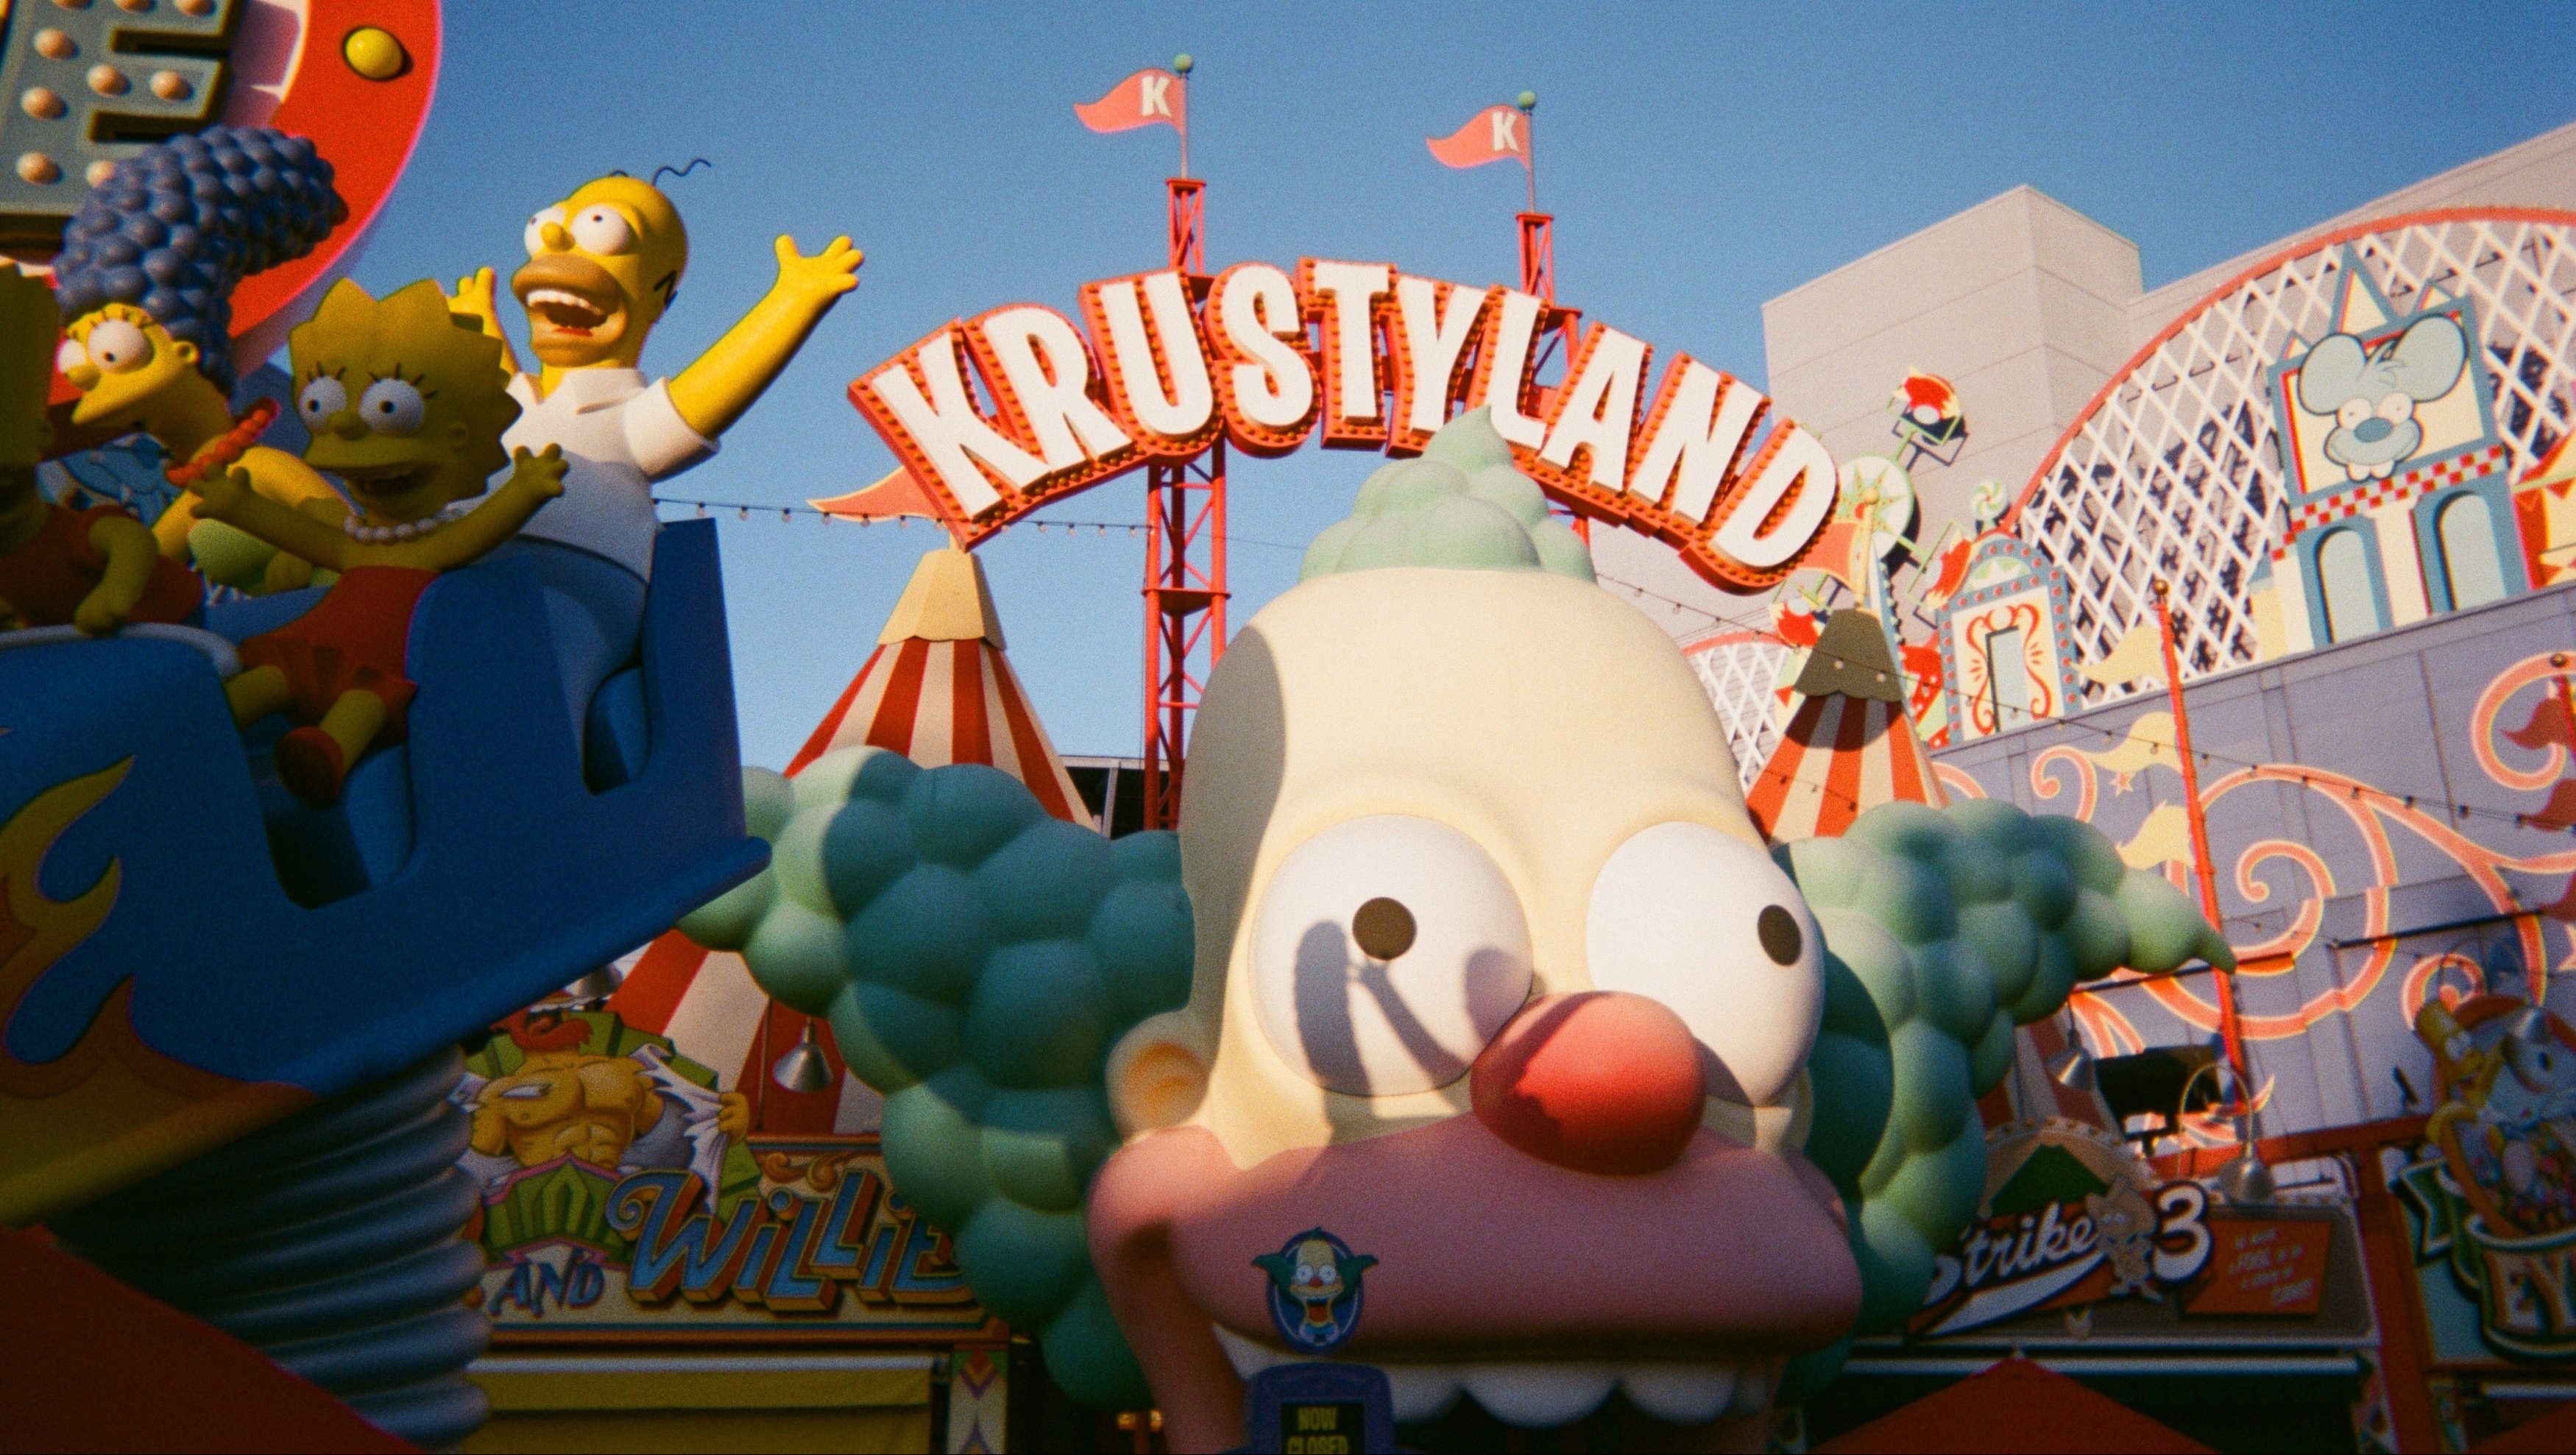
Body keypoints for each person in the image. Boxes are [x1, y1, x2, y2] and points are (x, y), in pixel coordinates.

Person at [445, 175, 862, 734]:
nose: (558, 257)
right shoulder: (511, 399)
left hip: (577, 594)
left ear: (659, 291)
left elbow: (706, 394)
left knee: (536, 685)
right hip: (459, 564)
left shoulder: (628, 419)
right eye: (547, 236)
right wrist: (479, 322)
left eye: (603, 232)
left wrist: (793, 301)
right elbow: (501, 380)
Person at [197, 280, 566, 804]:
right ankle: (200, 727)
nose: (345, 425)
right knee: (269, 676)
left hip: (382, 659)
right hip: (315, 639)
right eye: (323, 407)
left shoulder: (430, 546)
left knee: (364, 703)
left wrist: (526, 490)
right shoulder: (356, 545)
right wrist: (239, 507)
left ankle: (327, 754)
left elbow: (478, 533)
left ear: (459, 438)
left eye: (391, 407)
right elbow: (303, 533)